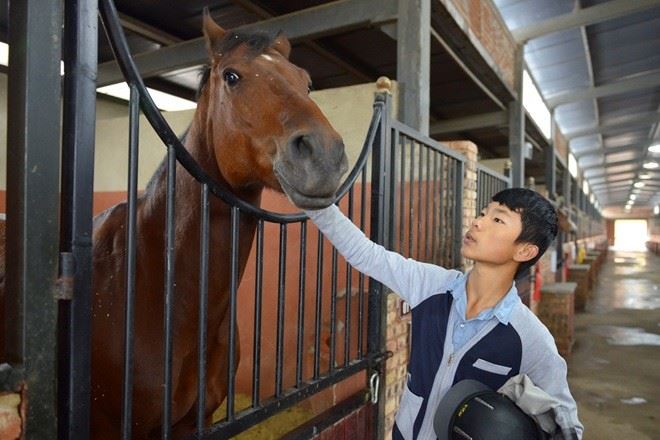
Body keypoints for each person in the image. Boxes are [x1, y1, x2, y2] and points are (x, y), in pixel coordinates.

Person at [303, 188, 583, 439]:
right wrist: (311, 199)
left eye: (497, 220)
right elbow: (366, 254)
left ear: (524, 250)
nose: (477, 221)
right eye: (483, 213)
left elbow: (565, 420)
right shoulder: (431, 285)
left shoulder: (530, 337)